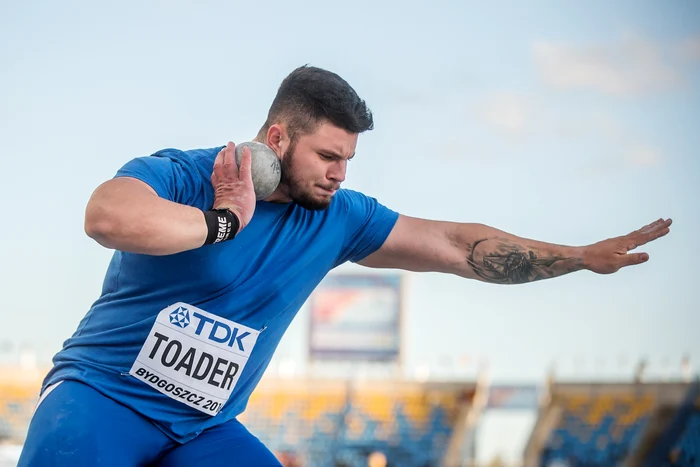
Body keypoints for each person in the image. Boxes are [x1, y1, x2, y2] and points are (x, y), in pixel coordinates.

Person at [18, 65, 672, 466]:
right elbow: (106, 215)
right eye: (329, 155)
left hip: (202, 428)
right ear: (277, 138)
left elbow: (455, 245)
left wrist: (579, 258)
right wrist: (222, 221)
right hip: (100, 399)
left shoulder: (339, 217)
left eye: (349, 159)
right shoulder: (190, 174)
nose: (341, 173)